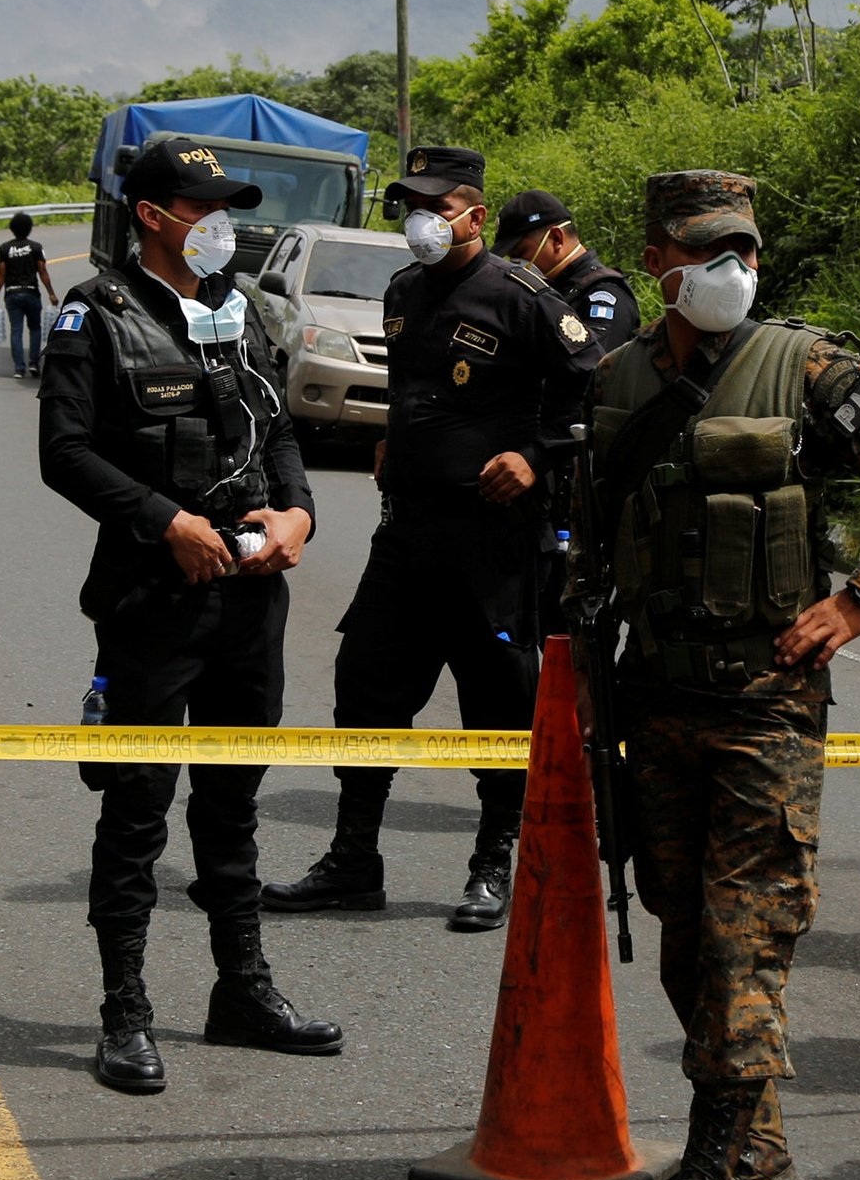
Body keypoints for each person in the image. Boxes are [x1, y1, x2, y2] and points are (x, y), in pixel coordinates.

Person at [582, 170, 860, 1180]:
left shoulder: (806, 366)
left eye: (744, 250)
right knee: (678, 930)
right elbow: (593, 533)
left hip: (763, 707)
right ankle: (759, 1165)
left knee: (741, 945)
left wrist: (857, 602)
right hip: (651, 699)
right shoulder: (615, 378)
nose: (730, 271)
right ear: (657, 259)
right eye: (707, 250)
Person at [40, 138, 331, 1092]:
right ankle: (125, 1009)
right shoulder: (97, 313)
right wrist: (165, 524)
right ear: (155, 215)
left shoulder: (234, 312)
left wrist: (297, 512)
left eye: (228, 211)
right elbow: (67, 452)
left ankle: (241, 989)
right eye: (205, 209)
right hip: (153, 597)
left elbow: (279, 429)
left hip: (251, 599)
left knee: (233, 800)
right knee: (138, 809)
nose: (223, 227)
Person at [266, 147, 598, 932]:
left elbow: (597, 386)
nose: (419, 220)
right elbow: (416, 389)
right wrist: (395, 438)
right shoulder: (404, 290)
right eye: (408, 205)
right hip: (407, 533)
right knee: (366, 685)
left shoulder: (522, 296)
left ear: (476, 216)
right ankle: (354, 858)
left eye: (435, 206)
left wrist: (535, 454)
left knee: (497, 703)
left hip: (492, 541)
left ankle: (492, 861)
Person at [496, 187, 641, 358]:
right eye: (511, 258)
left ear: (557, 239)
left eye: (520, 254)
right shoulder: (548, 289)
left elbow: (595, 373)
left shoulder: (603, 296)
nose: (515, 264)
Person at [0, 211, 57, 381]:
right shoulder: (36, 247)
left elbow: (1, 274)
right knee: (35, 328)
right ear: (29, 229)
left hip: (12, 294)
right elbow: (42, 271)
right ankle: (34, 363)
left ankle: (19, 368)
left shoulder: (5, 248)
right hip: (31, 292)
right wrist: (51, 293)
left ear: (12, 229)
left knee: (16, 329)